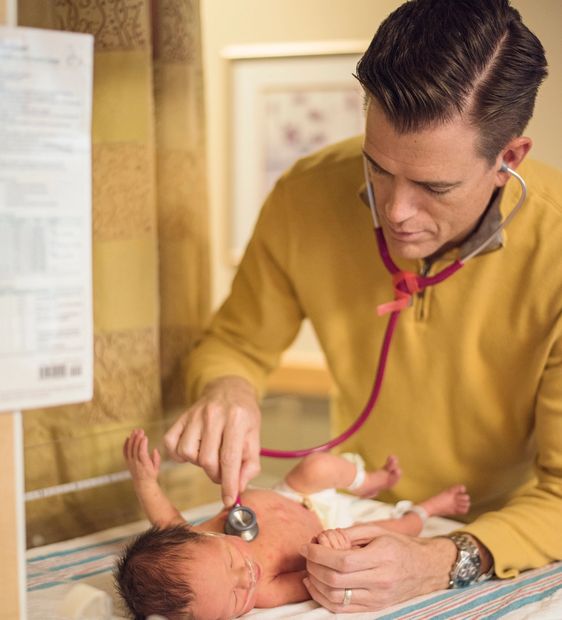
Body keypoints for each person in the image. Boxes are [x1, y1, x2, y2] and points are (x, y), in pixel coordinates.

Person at [164, 0, 562, 613]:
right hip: (357, 508)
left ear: (509, 159)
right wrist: (228, 389)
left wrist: (444, 558)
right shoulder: (304, 194)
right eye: (378, 168)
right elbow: (235, 344)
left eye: (434, 188)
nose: (397, 211)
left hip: (505, 535)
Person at [116, 429, 470, 619]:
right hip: (328, 524)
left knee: (316, 467)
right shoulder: (266, 591)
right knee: (387, 535)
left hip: (291, 495)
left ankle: (368, 481)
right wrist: (326, 550)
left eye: (229, 560)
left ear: (199, 536)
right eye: (236, 599)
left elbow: (165, 518)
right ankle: (426, 511)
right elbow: (312, 580)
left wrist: (145, 481)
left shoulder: (190, 539)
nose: (246, 575)